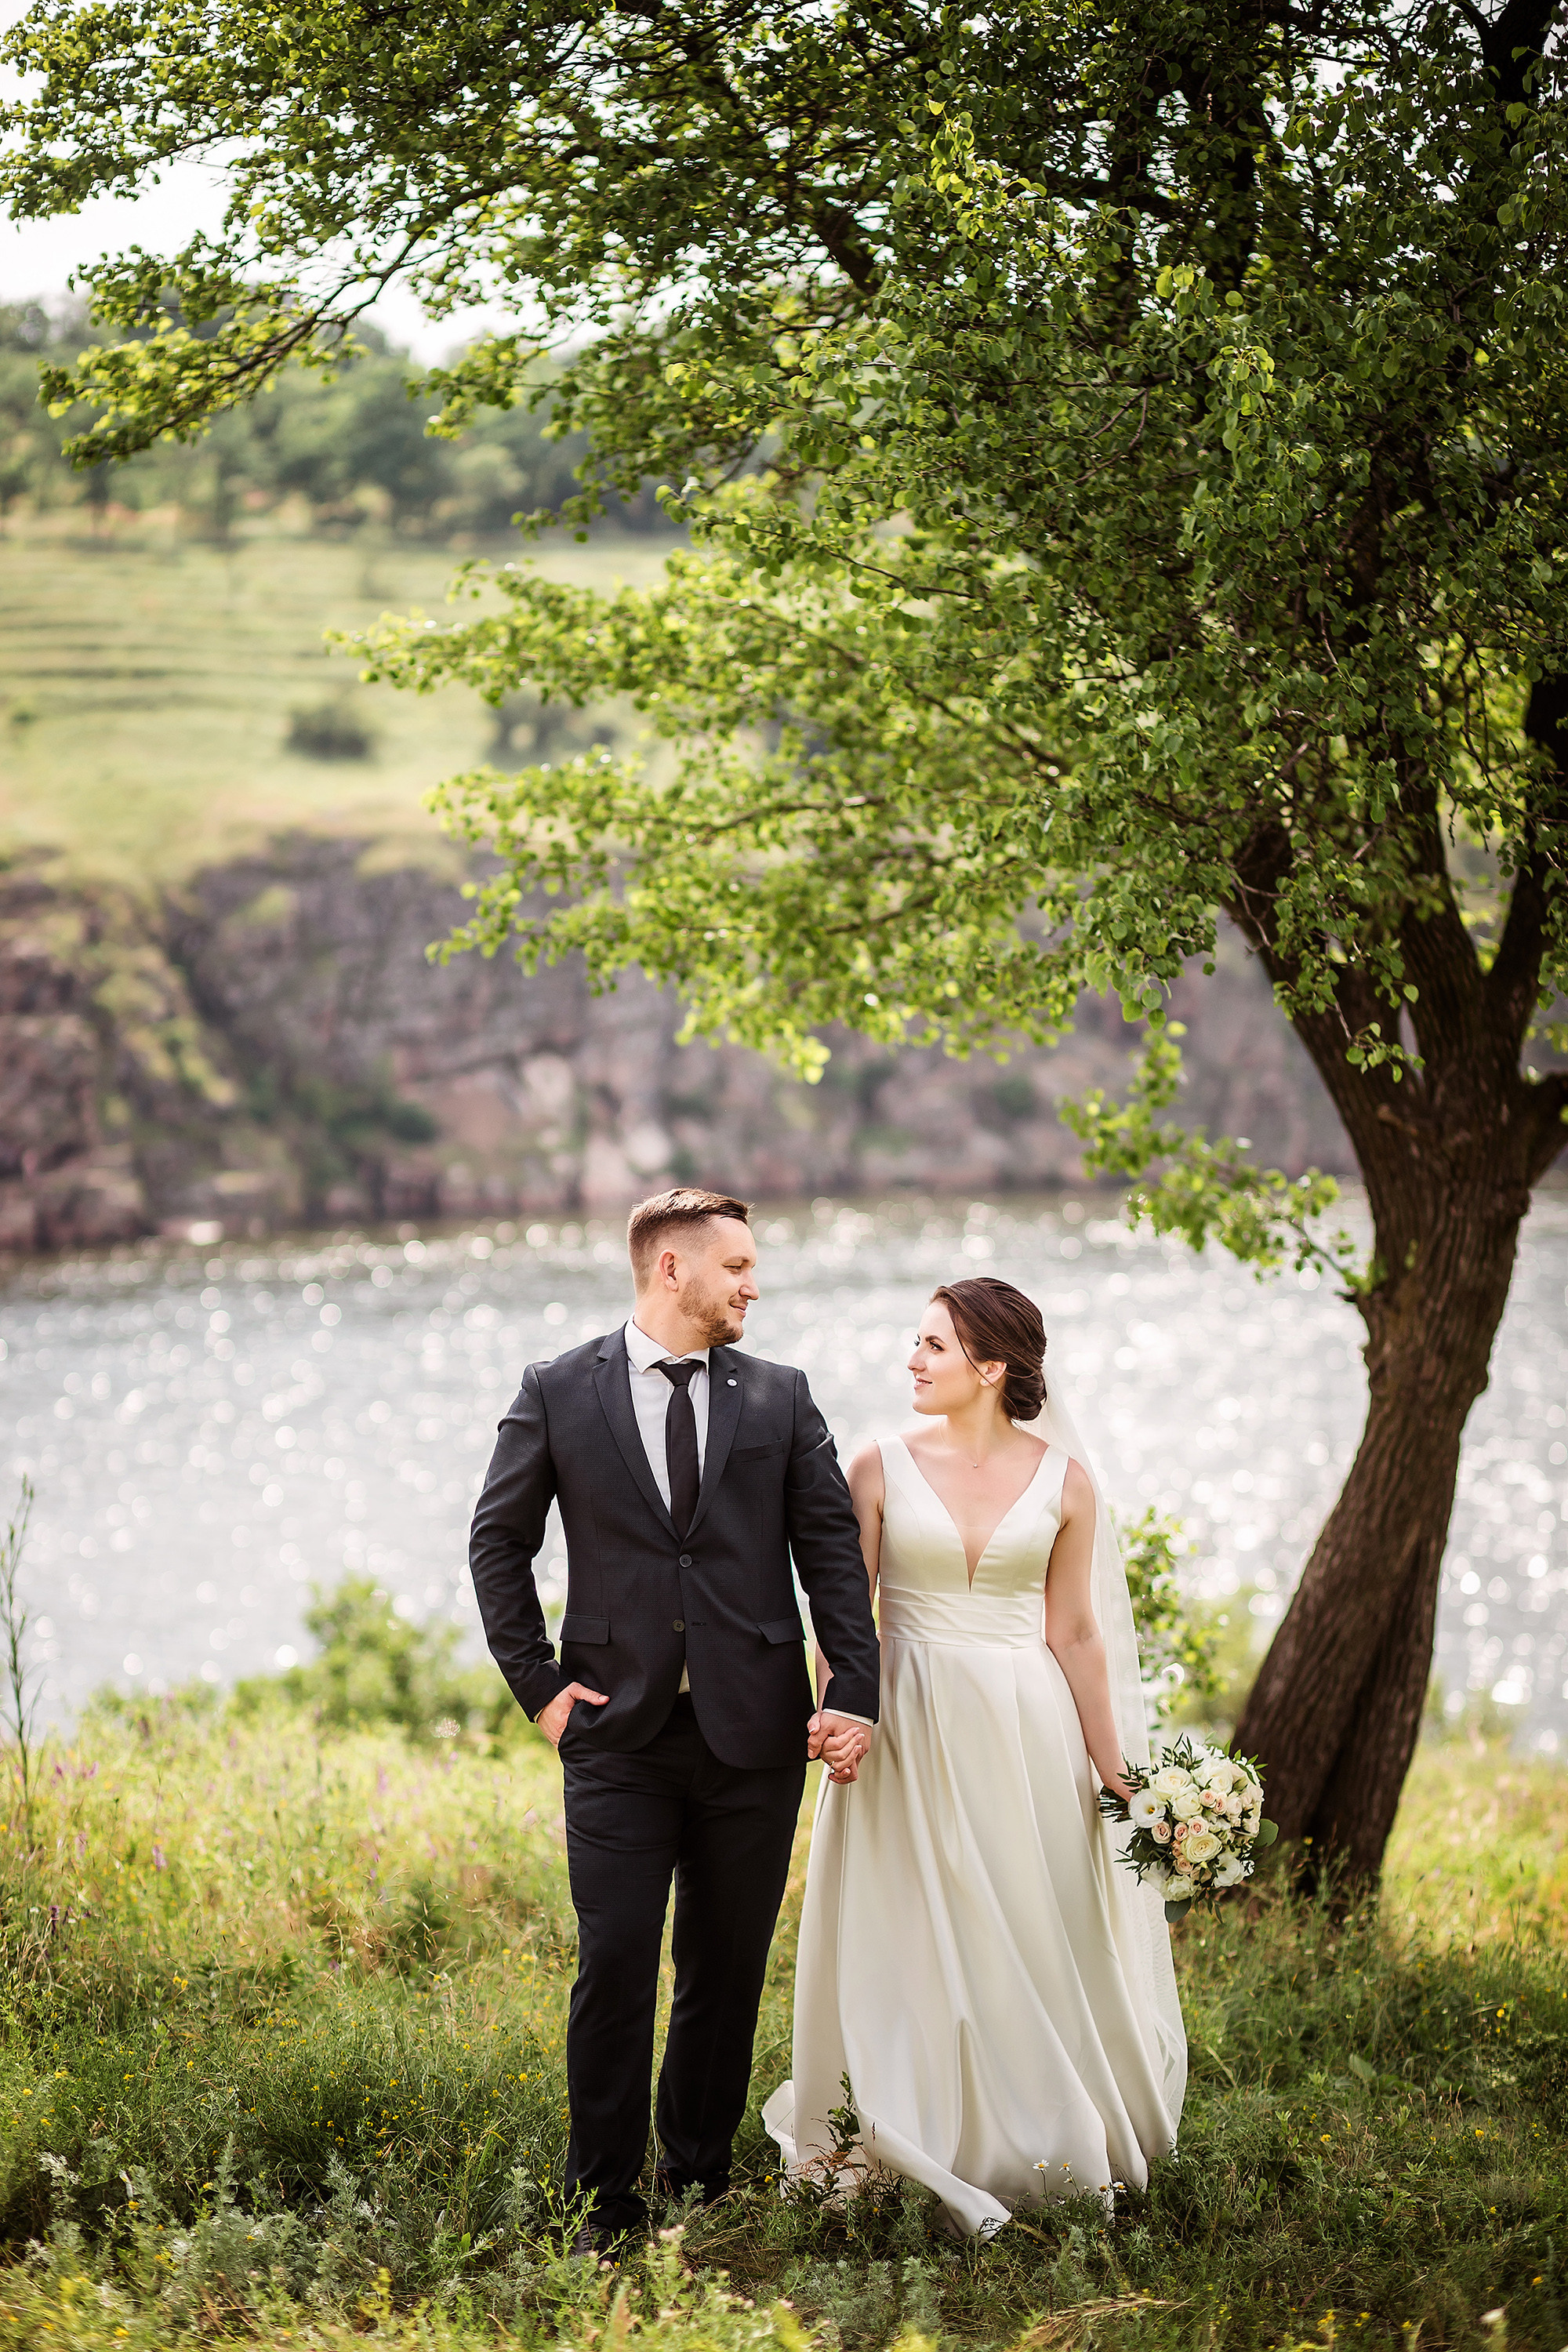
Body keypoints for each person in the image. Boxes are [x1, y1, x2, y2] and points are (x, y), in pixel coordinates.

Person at [469, 1187, 881, 2253]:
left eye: (752, 1266)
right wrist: (541, 1688)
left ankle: (694, 2180)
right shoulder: (558, 1390)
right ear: (673, 1270)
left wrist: (853, 1690)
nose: (753, 1284)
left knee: (726, 1963)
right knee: (614, 1961)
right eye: (736, 1266)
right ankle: (601, 2202)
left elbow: (831, 1552)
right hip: (615, 1736)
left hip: (755, 1736)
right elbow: (496, 1543)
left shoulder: (782, 1396)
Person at [764, 1274, 1187, 2237]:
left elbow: (1075, 1633)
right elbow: (842, 1614)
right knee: (903, 1921)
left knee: (1025, 1924)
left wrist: (1110, 1768)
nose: (911, 1360)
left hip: (1022, 1728)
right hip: (901, 1720)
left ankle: (1030, 2129)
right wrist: (843, 1714)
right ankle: (901, 2121)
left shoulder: (1065, 1482)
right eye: (916, 1344)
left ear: (991, 1367)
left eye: (932, 1346)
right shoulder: (873, 1465)